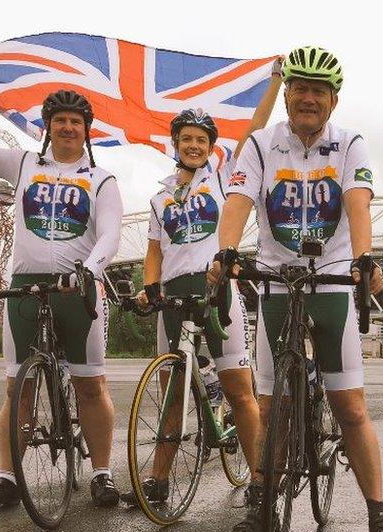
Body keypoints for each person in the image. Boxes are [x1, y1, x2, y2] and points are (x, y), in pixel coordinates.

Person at [207, 46, 383, 532]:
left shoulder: (349, 144)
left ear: (333, 99)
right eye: (299, 88)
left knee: (350, 407)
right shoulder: (260, 144)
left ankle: (378, 514)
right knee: (270, 407)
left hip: (332, 281)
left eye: (319, 90)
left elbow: (358, 203)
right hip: (277, 281)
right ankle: (260, 506)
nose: (308, 98)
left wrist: (364, 259)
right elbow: (238, 200)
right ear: (287, 94)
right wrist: (226, 249)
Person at [0, 57, 123, 509]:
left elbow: (111, 233)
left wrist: (89, 270)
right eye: (59, 120)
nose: (67, 127)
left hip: (78, 289)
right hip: (24, 287)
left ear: (87, 130)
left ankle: (101, 472)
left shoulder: (100, 179)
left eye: (75, 121)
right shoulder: (23, 163)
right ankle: (8, 478)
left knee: (90, 385)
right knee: (16, 388)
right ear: (46, 126)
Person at [121, 59, 283, 506]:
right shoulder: (158, 195)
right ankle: (157, 482)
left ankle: (259, 479)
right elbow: (153, 251)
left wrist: (274, 81)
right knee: (172, 394)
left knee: (238, 388)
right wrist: (150, 288)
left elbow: (255, 126)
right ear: (175, 144)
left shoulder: (221, 173)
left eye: (201, 140)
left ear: (211, 147)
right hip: (173, 297)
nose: (194, 145)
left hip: (216, 292)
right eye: (187, 139)